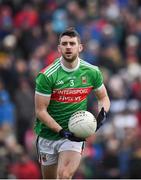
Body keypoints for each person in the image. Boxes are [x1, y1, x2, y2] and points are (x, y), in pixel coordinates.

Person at [34, 27, 110, 179]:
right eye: (65, 44)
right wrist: (61, 131)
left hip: (75, 133)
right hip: (48, 135)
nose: (68, 47)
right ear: (59, 48)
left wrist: (102, 114)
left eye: (72, 43)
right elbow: (40, 111)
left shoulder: (92, 71)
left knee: (64, 175)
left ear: (80, 47)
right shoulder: (47, 75)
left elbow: (103, 98)